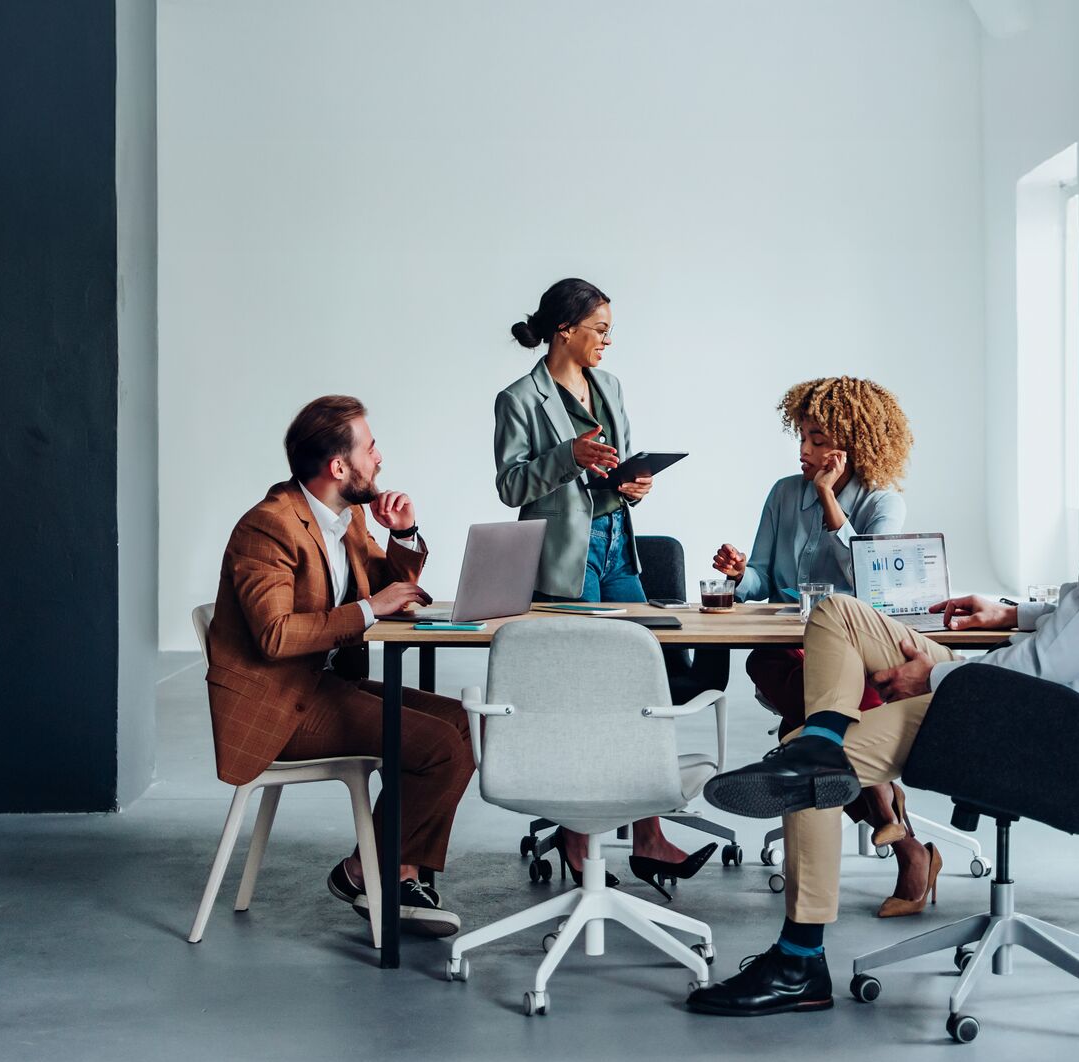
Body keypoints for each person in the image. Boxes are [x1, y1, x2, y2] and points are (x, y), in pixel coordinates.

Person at [688, 379, 1079, 1016]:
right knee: (838, 613)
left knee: (806, 776)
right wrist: (1012, 612)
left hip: (1033, 722)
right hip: (1039, 705)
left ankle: (799, 960)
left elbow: (1047, 667)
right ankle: (824, 738)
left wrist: (933, 679)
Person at [204, 395, 473, 937]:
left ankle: (376, 871)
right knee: (438, 746)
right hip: (279, 704)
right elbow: (276, 636)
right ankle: (382, 876)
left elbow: (386, 583)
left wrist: (402, 533)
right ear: (339, 467)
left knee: (464, 723)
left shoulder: (343, 517)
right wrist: (371, 609)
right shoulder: (269, 526)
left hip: (321, 684)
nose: (381, 459)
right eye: (371, 448)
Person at [492, 277, 713, 891]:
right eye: (600, 330)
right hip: (567, 555)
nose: (607, 342)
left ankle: (647, 835)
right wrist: (569, 457)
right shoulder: (517, 398)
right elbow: (511, 486)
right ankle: (576, 838)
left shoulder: (610, 387)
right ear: (565, 331)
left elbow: (615, 470)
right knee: (585, 692)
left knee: (641, 683)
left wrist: (633, 484)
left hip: (619, 548)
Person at [712, 376, 923, 910]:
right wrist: (740, 577)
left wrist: (830, 500)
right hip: (785, 645)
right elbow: (762, 578)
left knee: (805, 732)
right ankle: (893, 820)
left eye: (818, 440)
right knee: (796, 691)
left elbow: (874, 586)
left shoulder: (883, 503)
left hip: (853, 647)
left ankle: (907, 846)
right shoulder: (784, 493)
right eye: (801, 438)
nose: (805, 452)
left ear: (853, 442)